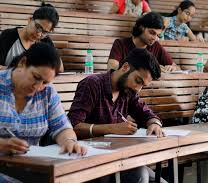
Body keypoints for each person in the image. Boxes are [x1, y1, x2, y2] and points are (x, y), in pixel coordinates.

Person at [68, 48, 166, 183]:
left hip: (118, 157)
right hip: (90, 160)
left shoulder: (128, 91)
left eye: (143, 85)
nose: (138, 88)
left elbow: (145, 113)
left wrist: (154, 122)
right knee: (140, 174)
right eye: (138, 80)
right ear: (125, 67)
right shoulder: (92, 84)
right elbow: (73, 126)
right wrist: (112, 128)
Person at [0, 42, 87, 182]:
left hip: (31, 169)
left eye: (45, 82)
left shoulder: (47, 92)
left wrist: (69, 141)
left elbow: (62, 127)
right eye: (36, 77)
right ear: (23, 63)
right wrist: (2, 145)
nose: (38, 87)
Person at [0, 2, 64, 72]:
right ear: (30, 20)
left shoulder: (45, 42)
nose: (39, 34)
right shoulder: (8, 36)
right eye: (38, 27)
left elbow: (59, 68)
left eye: (45, 32)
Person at [107, 12, 180, 73]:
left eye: (158, 35)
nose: (155, 38)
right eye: (152, 33)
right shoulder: (120, 44)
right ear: (141, 27)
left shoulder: (156, 46)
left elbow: (176, 67)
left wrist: (172, 68)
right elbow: (112, 68)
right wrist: (148, 69)